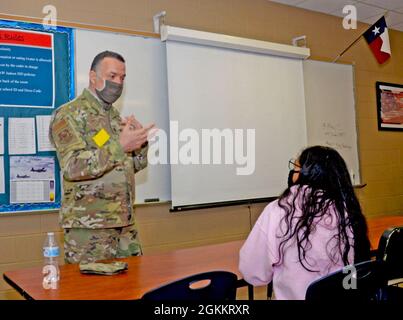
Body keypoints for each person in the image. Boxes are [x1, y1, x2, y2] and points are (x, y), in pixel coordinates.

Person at [49, 51, 154, 264]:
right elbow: (72, 167)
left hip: (124, 224)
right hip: (89, 229)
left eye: (122, 78)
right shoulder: (69, 114)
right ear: (93, 76)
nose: (118, 83)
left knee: (134, 289)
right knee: (90, 293)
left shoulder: (115, 117)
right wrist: (120, 146)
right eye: (112, 76)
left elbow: (128, 166)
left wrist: (140, 145)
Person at [239, 146, 370, 300]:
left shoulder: (279, 210)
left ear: (306, 174)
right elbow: (358, 269)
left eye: (295, 168)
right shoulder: (347, 208)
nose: (292, 173)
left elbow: (253, 272)